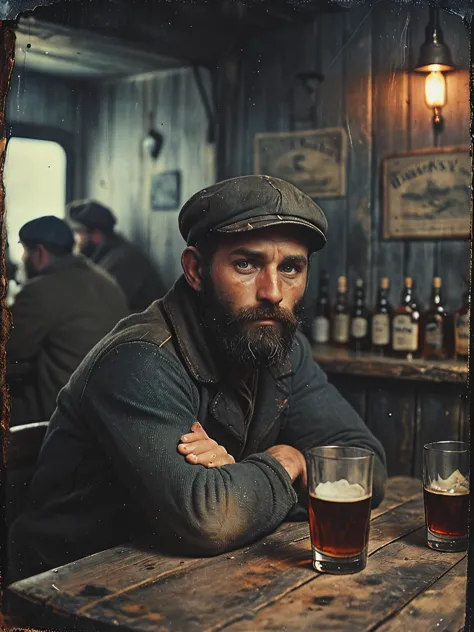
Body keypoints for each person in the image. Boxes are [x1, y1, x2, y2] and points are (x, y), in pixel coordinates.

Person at [7, 176, 387, 583]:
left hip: (177, 579)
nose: (273, 292)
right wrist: (283, 461)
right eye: (246, 264)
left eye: (291, 267)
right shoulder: (139, 359)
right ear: (195, 269)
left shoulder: (280, 347)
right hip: (63, 588)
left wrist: (242, 477)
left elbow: (366, 467)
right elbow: (211, 519)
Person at [6, 216, 129, 426]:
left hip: (58, 414)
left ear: (40, 253)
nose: (24, 258)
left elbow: (9, 350)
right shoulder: (105, 279)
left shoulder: (39, 291)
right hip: (110, 409)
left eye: (25, 251)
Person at [67, 199, 166, 312]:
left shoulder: (123, 260)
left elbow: (98, 307)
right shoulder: (106, 255)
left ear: (96, 235)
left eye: (78, 232)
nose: (75, 239)